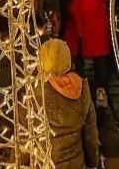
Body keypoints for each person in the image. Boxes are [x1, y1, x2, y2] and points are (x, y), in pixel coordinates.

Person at [60, 0, 111, 109]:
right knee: (76, 56)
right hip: (76, 22)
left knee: (100, 57)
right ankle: (79, 90)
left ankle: (100, 89)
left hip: (95, 22)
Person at [38, 39, 99, 169]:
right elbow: (90, 134)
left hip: (47, 163)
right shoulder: (81, 88)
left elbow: (24, 138)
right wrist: (93, 161)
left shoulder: (35, 94)